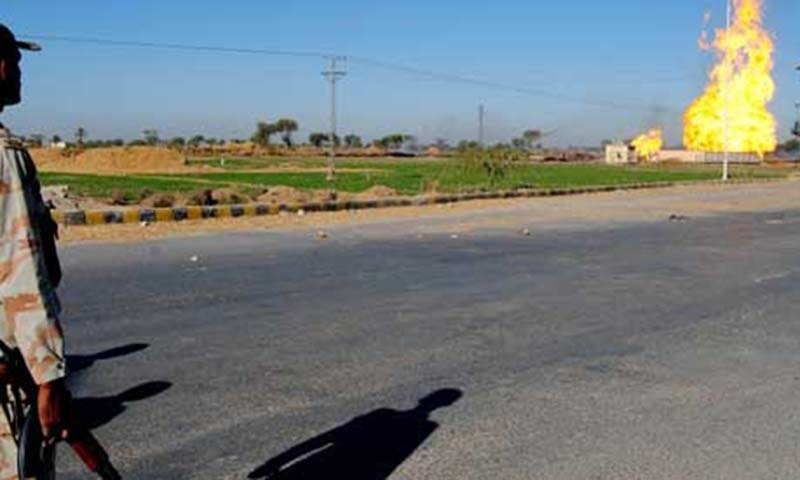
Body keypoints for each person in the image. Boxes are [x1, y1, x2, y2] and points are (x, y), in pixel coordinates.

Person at [0, 24, 70, 479]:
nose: (19, 70)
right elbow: (19, 269)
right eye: (14, 60)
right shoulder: (5, 157)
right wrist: (49, 375)